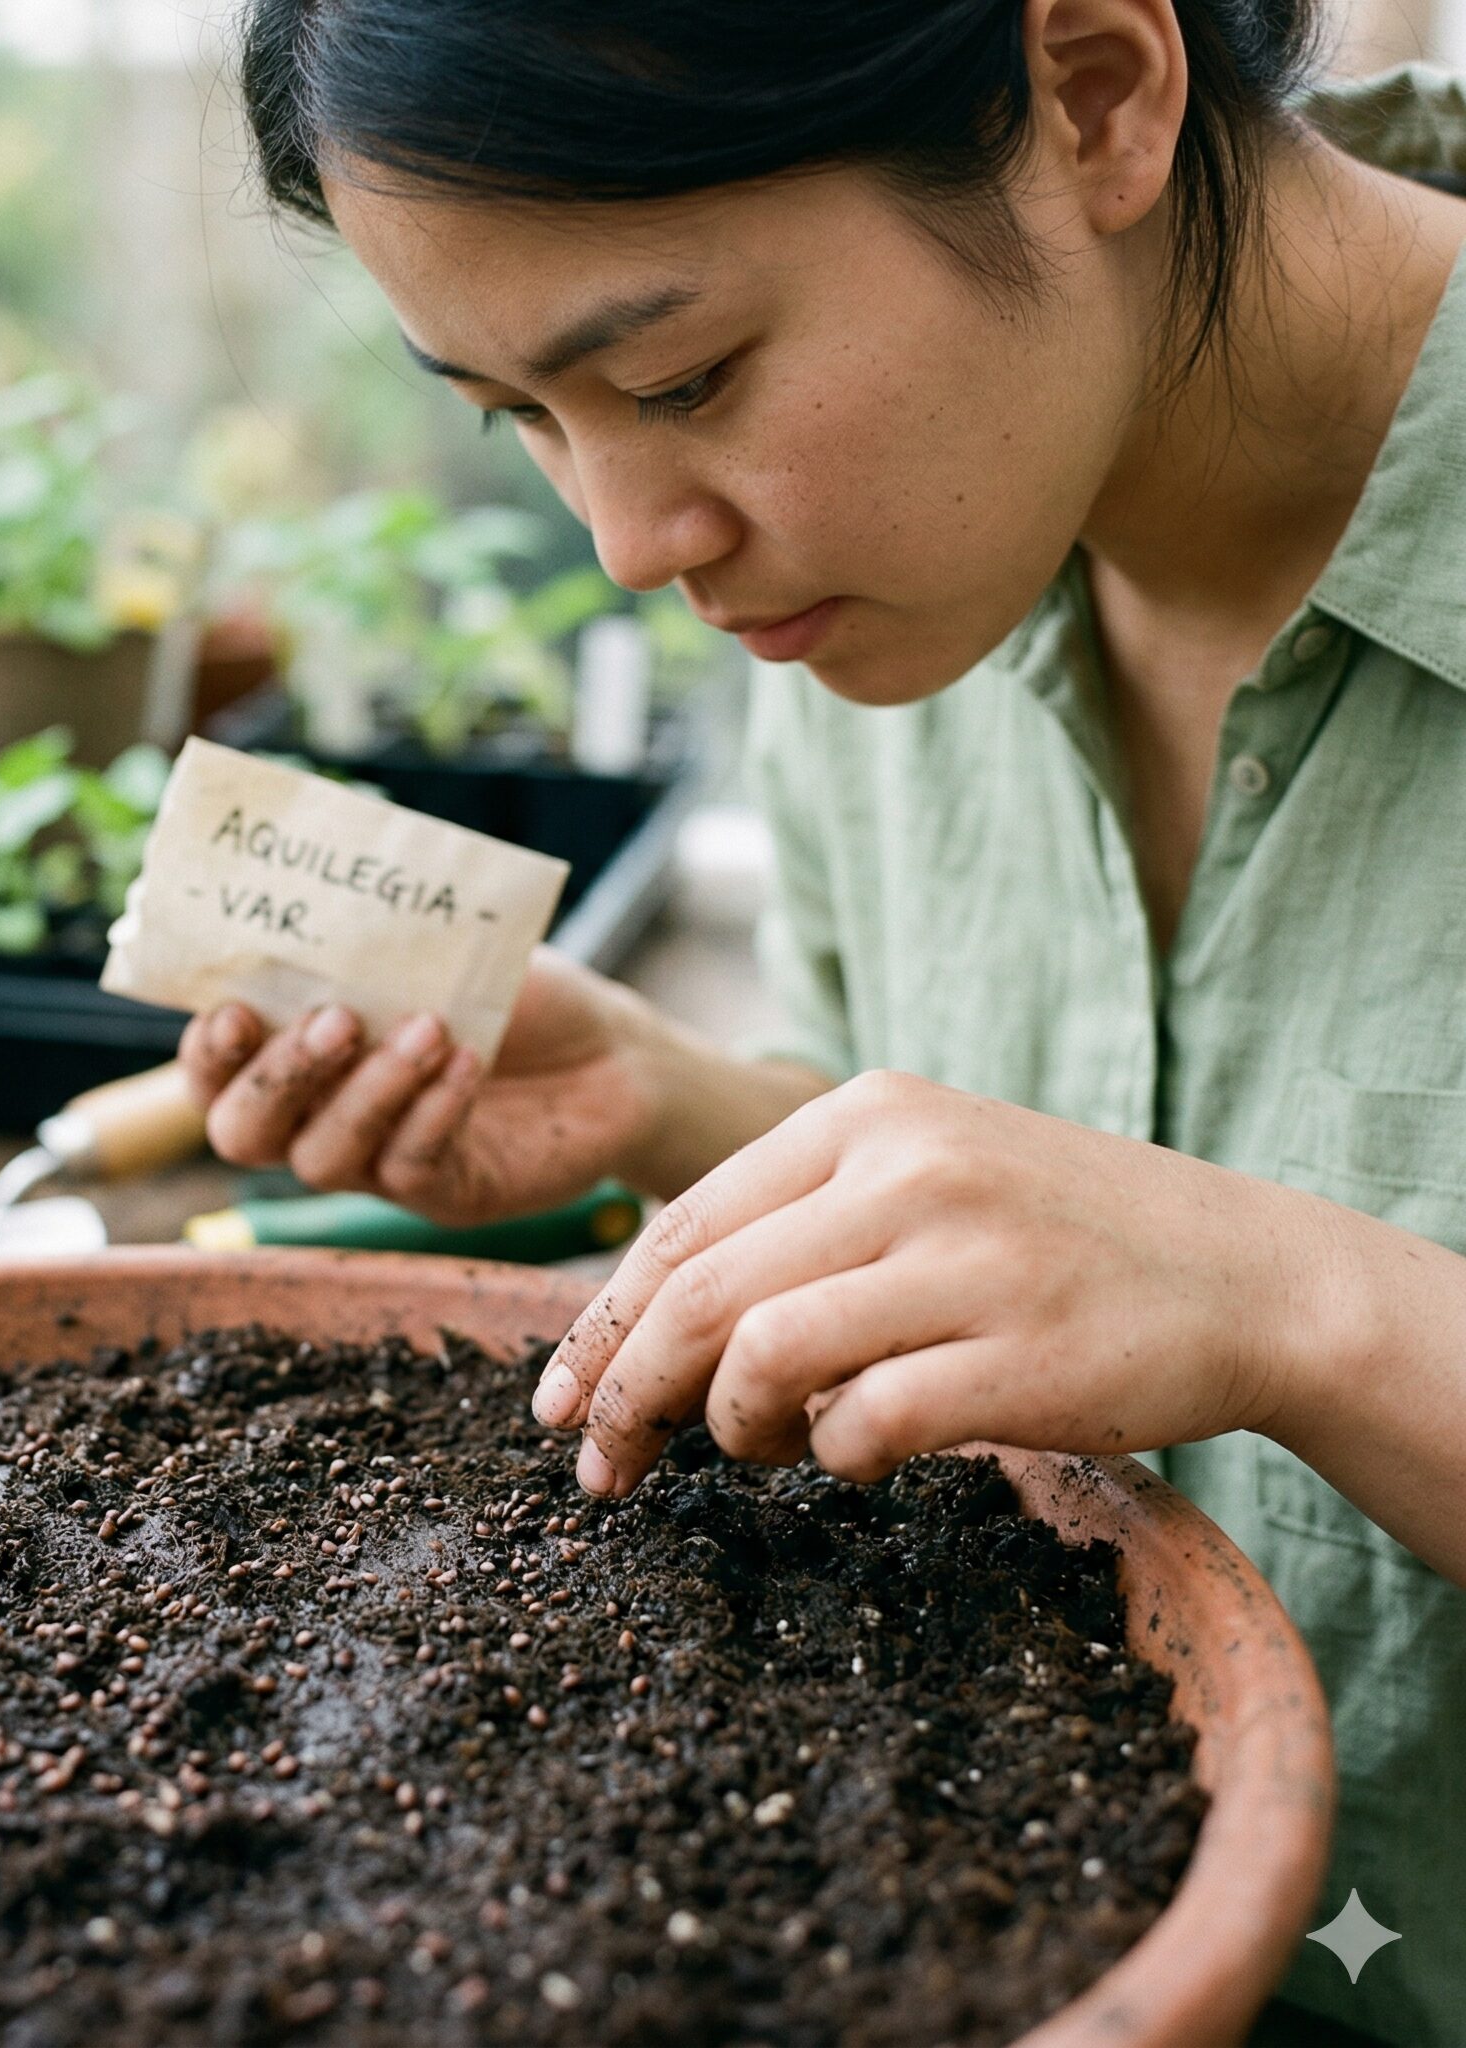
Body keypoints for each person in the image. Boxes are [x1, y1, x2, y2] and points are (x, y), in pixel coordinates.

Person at [182, 6, 1466, 2041]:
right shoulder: (884, 580)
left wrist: (1304, 1300)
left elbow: (1225, 1245)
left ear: (1096, 92)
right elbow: (1053, 1210)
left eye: (679, 376)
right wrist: (678, 1108)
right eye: (515, 409)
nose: (630, 539)